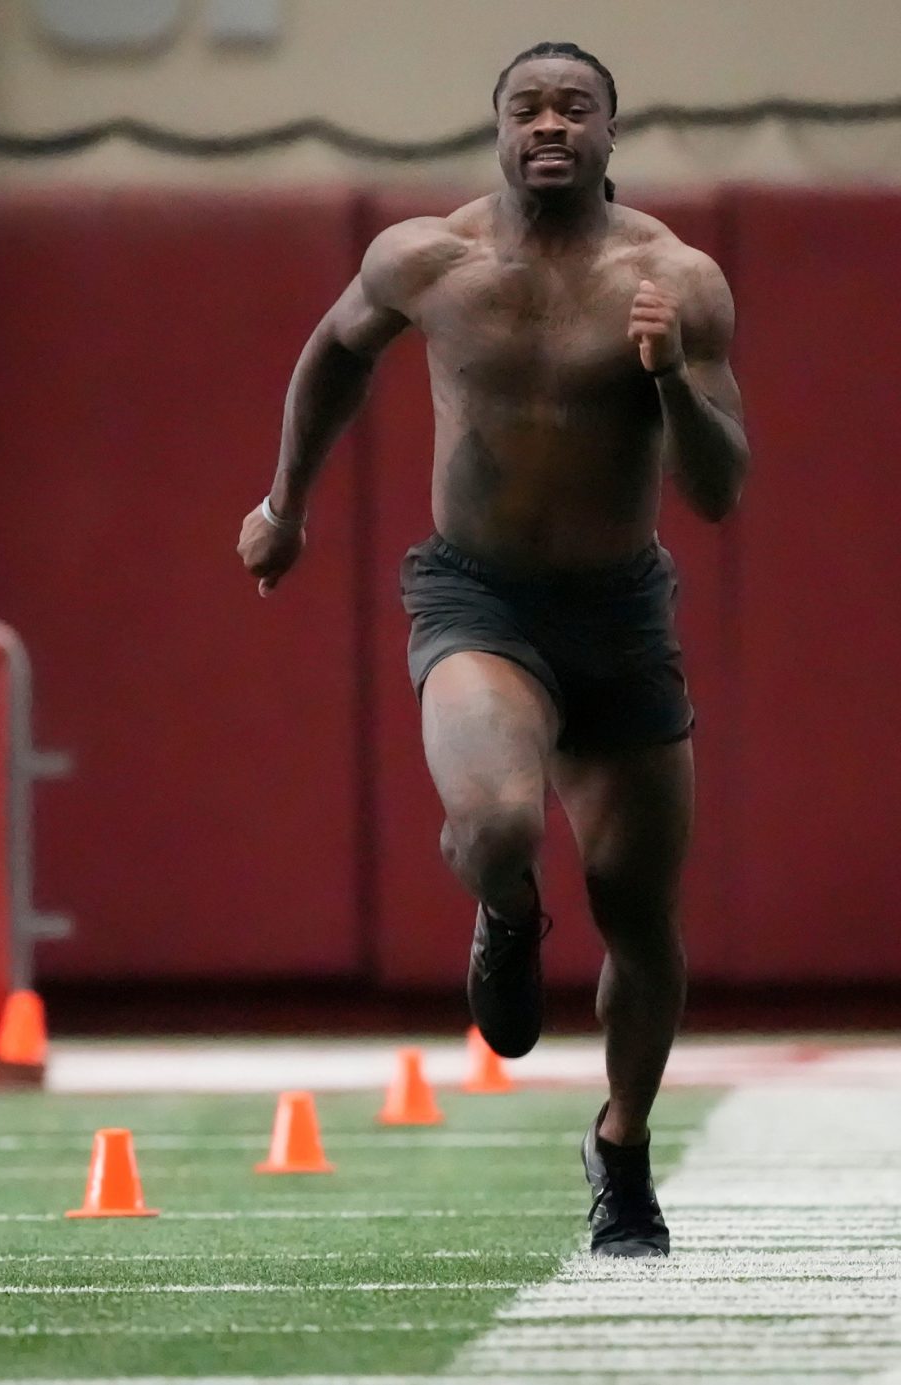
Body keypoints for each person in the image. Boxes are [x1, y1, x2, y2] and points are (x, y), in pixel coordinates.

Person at [235, 41, 748, 1258]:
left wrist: (671, 377)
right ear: (500, 129)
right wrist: (285, 504)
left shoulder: (677, 280)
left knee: (640, 912)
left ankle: (621, 1147)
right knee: (498, 820)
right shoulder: (429, 257)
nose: (551, 125)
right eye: (529, 108)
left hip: (620, 611)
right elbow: (332, 358)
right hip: (479, 598)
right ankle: (508, 913)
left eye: (577, 108)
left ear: (614, 134)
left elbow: (721, 489)